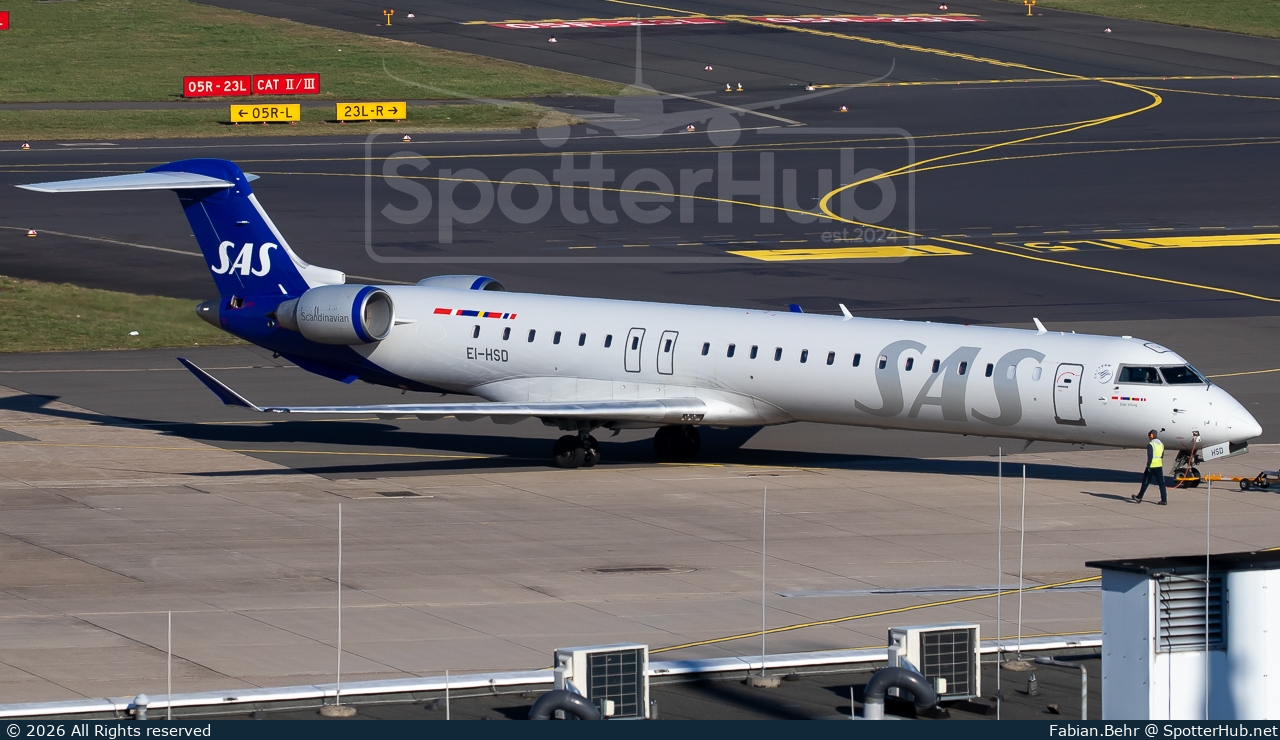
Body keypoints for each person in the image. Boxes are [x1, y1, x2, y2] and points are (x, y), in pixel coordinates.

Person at [1132, 430, 1167, 505]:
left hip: (1151, 466)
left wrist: (1148, 466)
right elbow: (1162, 455)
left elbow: (1150, 457)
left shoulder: (1151, 444)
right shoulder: (1161, 444)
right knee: (1161, 483)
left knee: (1145, 482)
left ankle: (1139, 497)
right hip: (1159, 465)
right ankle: (1164, 500)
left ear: (1151, 435)